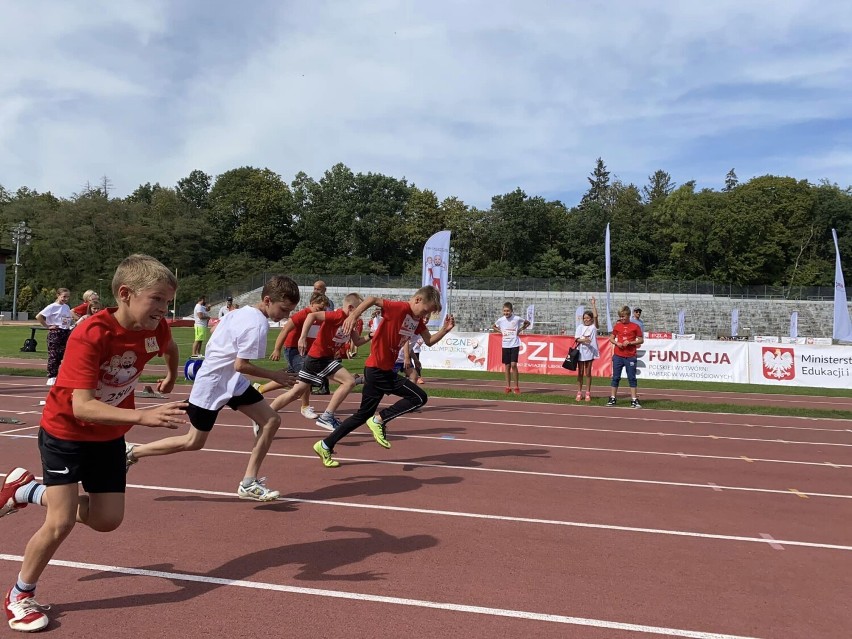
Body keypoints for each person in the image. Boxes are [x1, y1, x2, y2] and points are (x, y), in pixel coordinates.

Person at [1, 254, 186, 633]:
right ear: (125, 294)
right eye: (157, 299)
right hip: (66, 433)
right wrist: (142, 416)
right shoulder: (92, 334)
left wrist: (170, 375)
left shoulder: (157, 328)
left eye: (168, 302)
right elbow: (81, 406)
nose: (163, 309)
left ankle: (27, 490)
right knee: (61, 521)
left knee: (107, 520)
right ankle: (20, 594)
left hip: (109, 436)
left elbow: (168, 347)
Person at [125, 276, 301, 501]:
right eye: (284, 309)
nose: (285, 316)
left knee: (271, 421)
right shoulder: (257, 323)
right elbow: (241, 364)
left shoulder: (240, 312)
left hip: (231, 380)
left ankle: (249, 482)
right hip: (212, 383)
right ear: (267, 300)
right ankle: (132, 452)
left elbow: (226, 354)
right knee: (194, 442)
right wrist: (275, 376)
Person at [312, 285, 455, 468]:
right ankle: (379, 420)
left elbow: (429, 341)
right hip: (378, 370)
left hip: (378, 370)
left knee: (362, 415)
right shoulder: (400, 307)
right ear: (418, 300)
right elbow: (371, 299)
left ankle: (325, 445)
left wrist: (444, 330)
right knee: (419, 397)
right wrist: (353, 316)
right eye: (425, 311)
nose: (424, 316)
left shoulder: (416, 320)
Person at [268, 293, 370, 430]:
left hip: (317, 359)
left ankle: (266, 414)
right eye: (360, 311)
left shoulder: (350, 323)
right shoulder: (337, 316)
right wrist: (302, 337)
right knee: (349, 381)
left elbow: (357, 342)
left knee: (296, 392)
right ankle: (327, 417)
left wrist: (371, 335)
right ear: (351, 308)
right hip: (319, 358)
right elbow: (311, 316)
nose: (361, 314)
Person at [259, 291, 330, 420]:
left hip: (306, 351)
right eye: (319, 308)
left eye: (323, 309)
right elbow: (285, 330)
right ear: (311, 304)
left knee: (291, 377)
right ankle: (305, 406)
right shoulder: (302, 315)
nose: (321, 311)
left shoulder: (320, 317)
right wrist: (277, 349)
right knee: (306, 373)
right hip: (293, 349)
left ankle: (260, 388)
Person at [607, 305, 644, 408]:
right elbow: (611, 338)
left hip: (630, 356)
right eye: (620, 316)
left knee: (632, 378)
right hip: (618, 355)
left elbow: (641, 340)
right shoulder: (617, 326)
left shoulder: (635, 326)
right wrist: (617, 343)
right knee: (615, 377)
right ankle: (613, 398)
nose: (622, 318)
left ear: (628, 315)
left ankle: (634, 400)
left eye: (623, 316)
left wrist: (630, 342)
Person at [36, 289, 74, 386]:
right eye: (64, 296)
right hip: (56, 332)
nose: (66, 299)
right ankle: (52, 376)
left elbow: (67, 319)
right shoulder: (52, 307)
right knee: (54, 354)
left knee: (64, 354)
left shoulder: (66, 307)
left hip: (65, 331)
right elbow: (39, 316)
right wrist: (47, 326)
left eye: (68, 297)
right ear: (58, 295)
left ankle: (61, 375)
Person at [493, 302, 530, 394]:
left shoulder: (517, 318)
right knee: (507, 366)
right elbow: (493, 326)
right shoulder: (501, 320)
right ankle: (508, 387)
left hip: (514, 344)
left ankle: (516, 387)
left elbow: (527, 323)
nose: (506, 313)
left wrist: (520, 330)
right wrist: (501, 331)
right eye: (504, 311)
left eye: (508, 311)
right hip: (505, 345)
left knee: (513, 364)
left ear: (511, 311)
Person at [574, 297, 599, 402]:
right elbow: (576, 339)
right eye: (584, 318)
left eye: (588, 318)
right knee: (580, 372)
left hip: (590, 352)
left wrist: (593, 304)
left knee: (588, 373)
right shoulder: (580, 327)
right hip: (580, 352)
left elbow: (596, 317)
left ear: (591, 319)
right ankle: (579, 392)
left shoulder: (593, 327)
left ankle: (588, 393)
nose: (586, 320)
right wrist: (584, 340)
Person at [312, 282, 334, 394]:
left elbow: (329, 317)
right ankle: (318, 384)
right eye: (315, 288)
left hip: (322, 334)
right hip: (314, 334)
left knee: (320, 360)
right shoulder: (315, 300)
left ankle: (321, 385)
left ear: (324, 290)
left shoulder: (327, 302)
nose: (316, 291)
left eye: (319, 289)